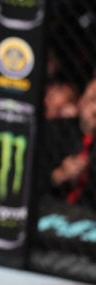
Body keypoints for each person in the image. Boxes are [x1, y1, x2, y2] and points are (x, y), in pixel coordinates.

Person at [40, 76, 96, 210]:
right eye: (92, 100)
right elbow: (29, 183)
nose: (95, 109)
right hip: (49, 209)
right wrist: (60, 174)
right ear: (80, 103)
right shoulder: (54, 132)